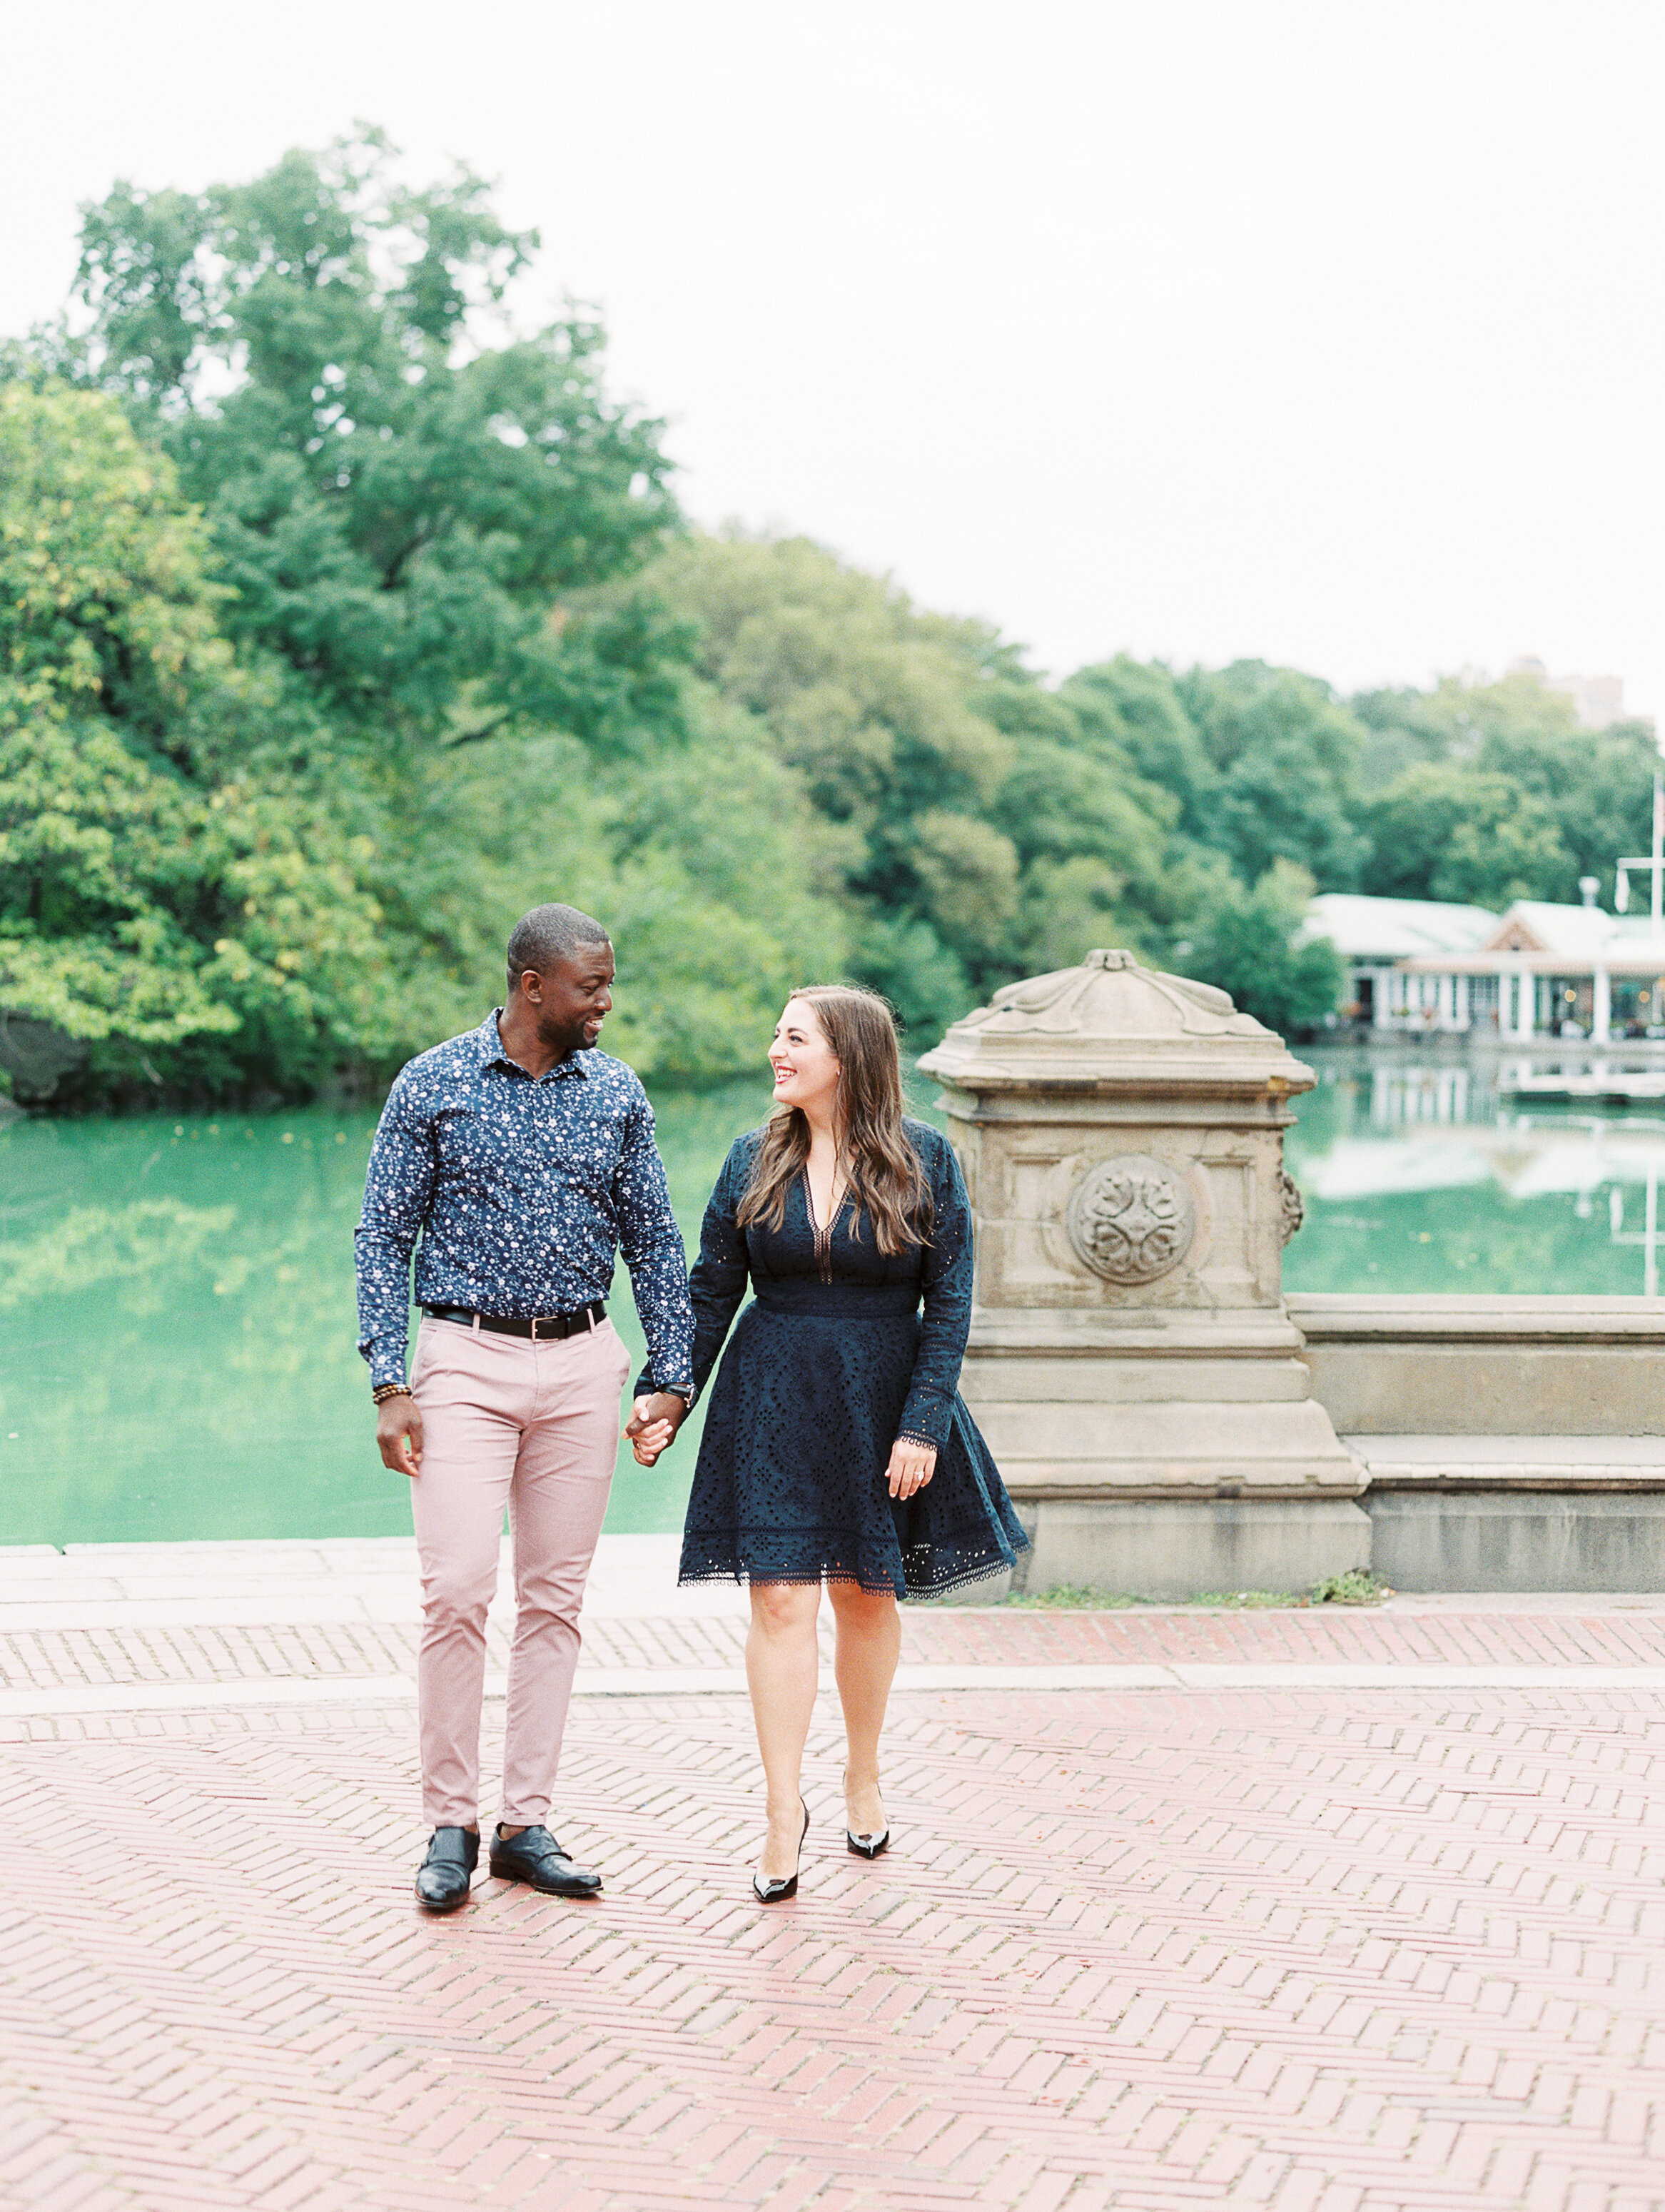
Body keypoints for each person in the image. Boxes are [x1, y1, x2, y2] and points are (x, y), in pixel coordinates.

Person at [629, 984, 1028, 1902]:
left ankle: (862, 1770)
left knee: (861, 1595)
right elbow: (709, 1293)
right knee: (776, 1603)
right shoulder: (749, 1159)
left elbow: (950, 1301)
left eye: (793, 1037)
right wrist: (670, 1392)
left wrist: (923, 1421)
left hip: (880, 1398)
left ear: (844, 1055)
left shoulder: (926, 1160)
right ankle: (779, 1810)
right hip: (770, 1393)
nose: (775, 1050)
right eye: (775, 1033)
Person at [355, 904, 694, 1914]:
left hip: (585, 1359)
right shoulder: (434, 1081)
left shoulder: (617, 1090)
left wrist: (668, 1372)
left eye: (609, 983)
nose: (606, 1000)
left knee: (554, 1598)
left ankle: (523, 1824)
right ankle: (449, 1822)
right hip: (462, 1356)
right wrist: (388, 1377)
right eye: (591, 983)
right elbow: (382, 1233)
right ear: (532, 984)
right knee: (456, 1589)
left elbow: (655, 1239)